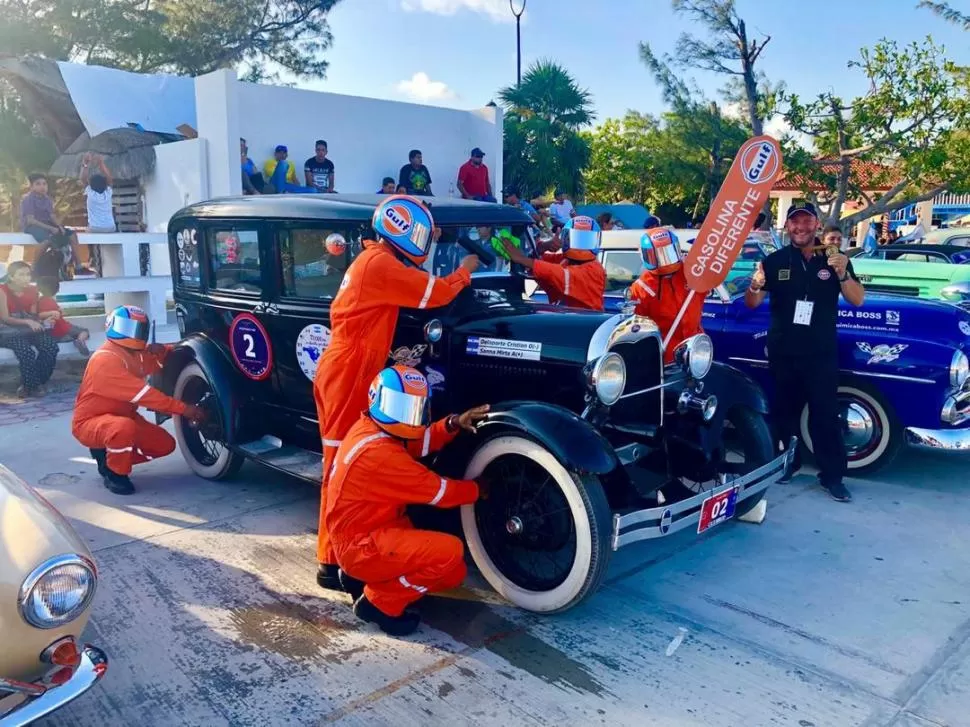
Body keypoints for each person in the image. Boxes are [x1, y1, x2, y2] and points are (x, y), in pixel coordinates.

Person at [314, 195, 479, 592]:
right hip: (349, 369)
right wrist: (465, 272)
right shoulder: (379, 265)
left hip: (356, 365)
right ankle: (332, 560)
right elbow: (435, 293)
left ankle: (344, 552)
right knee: (339, 464)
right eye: (423, 234)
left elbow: (414, 275)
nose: (424, 241)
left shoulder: (377, 260)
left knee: (352, 456)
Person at [327, 365, 488, 636]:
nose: (407, 417)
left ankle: (362, 576)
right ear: (377, 398)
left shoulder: (368, 428)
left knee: (454, 574)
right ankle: (379, 603)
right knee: (450, 554)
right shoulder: (381, 456)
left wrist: (452, 423)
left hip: (362, 534)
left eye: (412, 407)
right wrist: (479, 489)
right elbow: (442, 494)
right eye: (399, 406)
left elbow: (417, 443)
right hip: (362, 545)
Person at [745, 205, 865, 502]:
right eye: (795, 221)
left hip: (821, 351)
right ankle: (788, 464)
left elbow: (857, 299)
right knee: (784, 412)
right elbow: (752, 303)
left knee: (824, 415)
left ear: (816, 225)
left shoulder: (834, 258)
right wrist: (756, 283)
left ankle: (833, 477)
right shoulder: (773, 261)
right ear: (787, 226)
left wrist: (841, 274)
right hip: (784, 350)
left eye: (806, 221)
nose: (800, 227)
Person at [72, 305, 206, 495]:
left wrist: (165, 351)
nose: (134, 334)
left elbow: (160, 360)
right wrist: (185, 409)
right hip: (90, 422)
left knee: (164, 445)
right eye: (127, 328)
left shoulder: (137, 354)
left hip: (125, 418)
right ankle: (115, 473)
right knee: (122, 428)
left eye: (138, 329)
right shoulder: (105, 360)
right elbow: (147, 397)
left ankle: (110, 454)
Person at [628, 228, 704, 363]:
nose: (664, 260)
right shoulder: (642, 287)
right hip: (666, 356)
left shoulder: (691, 272)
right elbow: (638, 329)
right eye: (657, 255)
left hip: (697, 351)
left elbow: (713, 278)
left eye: (668, 253)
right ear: (647, 256)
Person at [502, 215, 606, 311]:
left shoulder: (594, 270)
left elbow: (554, 271)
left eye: (586, 241)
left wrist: (520, 258)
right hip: (565, 319)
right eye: (577, 239)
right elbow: (537, 258)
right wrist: (546, 246)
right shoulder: (565, 260)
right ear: (566, 239)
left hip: (587, 325)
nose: (581, 246)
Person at [0, 261, 58, 397]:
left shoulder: (32, 290)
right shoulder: (2, 291)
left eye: (28, 274)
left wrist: (45, 320)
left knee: (50, 346)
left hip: (28, 328)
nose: (26, 278)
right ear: (11, 276)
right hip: (8, 331)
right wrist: (27, 321)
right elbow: (5, 318)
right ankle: (31, 386)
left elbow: (33, 314)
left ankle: (34, 382)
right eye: (21, 275)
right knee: (26, 351)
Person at [20, 173, 82, 281]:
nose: (42, 187)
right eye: (38, 184)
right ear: (31, 186)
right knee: (46, 240)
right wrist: (50, 228)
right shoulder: (28, 200)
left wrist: (59, 226)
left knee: (72, 235)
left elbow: (52, 216)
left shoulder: (47, 199)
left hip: (48, 225)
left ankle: (79, 265)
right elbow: (31, 220)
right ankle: (34, 266)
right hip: (33, 226)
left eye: (44, 184)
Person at [36, 277, 90, 356]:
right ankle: (80, 341)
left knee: (69, 334)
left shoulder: (40, 301)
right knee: (84, 331)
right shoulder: (51, 301)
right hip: (62, 328)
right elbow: (56, 315)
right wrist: (58, 312)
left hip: (52, 332)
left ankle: (68, 338)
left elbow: (41, 314)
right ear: (57, 289)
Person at [80, 153, 117, 233]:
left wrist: (85, 164)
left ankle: (93, 246)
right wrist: (101, 163)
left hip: (94, 228)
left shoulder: (91, 193)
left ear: (91, 185)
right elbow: (109, 178)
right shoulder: (108, 193)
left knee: (87, 232)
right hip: (110, 227)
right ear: (105, 184)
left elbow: (83, 179)